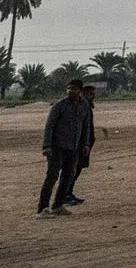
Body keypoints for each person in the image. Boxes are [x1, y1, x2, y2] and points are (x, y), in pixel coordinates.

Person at [37, 79, 91, 218]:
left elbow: (86, 126)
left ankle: (58, 205)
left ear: (80, 91)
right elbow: (49, 126)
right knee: (52, 176)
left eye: (73, 89)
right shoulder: (59, 105)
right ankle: (42, 209)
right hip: (57, 147)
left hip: (74, 147)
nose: (70, 91)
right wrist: (47, 146)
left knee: (68, 176)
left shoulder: (84, 106)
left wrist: (85, 144)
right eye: (68, 89)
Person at [63, 85, 97, 206]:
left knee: (77, 169)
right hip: (79, 145)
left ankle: (68, 192)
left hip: (84, 144)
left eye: (93, 94)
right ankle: (65, 194)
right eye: (89, 94)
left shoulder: (86, 107)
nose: (92, 97)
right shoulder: (81, 108)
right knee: (73, 169)